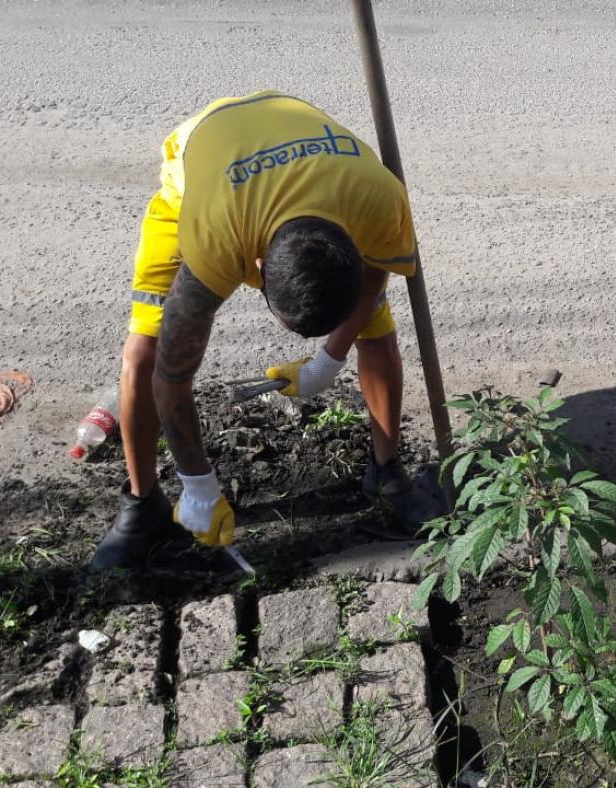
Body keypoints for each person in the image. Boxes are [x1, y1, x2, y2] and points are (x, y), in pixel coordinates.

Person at [91, 90, 440, 570]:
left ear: (351, 254)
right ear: (253, 269)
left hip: (317, 162)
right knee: (144, 353)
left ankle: (386, 470)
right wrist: (197, 484)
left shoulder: (381, 201)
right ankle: (142, 503)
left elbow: (373, 283)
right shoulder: (215, 238)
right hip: (205, 165)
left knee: (376, 328)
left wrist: (327, 360)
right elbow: (171, 376)